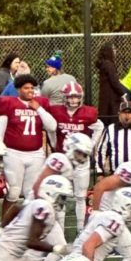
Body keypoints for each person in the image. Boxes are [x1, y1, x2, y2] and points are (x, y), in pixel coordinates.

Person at [0, 73, 57, 222]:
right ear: (18, 89)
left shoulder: (40, 103)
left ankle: (26, 225)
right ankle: (5, 225)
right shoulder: (9, 103)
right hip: (13, 153)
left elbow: (52, 127)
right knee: (13, 192)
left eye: (32, 88)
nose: (31, 91)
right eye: (26, 88)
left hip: (35, 154)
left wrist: (39, 109)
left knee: (31, 193)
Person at [48, 81, 103, 231]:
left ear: (81, 97)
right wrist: (54, 145)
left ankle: (80, 229)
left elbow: (99, 127)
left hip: (80, 161)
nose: (73, 100)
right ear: (65, 97)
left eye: (76, 97)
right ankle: (60, 229)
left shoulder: (88, 113)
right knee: (61, 195)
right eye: (70, 97)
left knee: (80, 196)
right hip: (64, 159)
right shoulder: (57, 111)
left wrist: (90, 146)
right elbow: (51, 129)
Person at [95, 42, 125, 126]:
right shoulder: (109, 65)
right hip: (111, 97)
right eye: (113, 49)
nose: (115, 51)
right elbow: (114, 81)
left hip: (105, 95)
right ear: (109, 51)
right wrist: (122, 93)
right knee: (112, 117)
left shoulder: (104, 64)